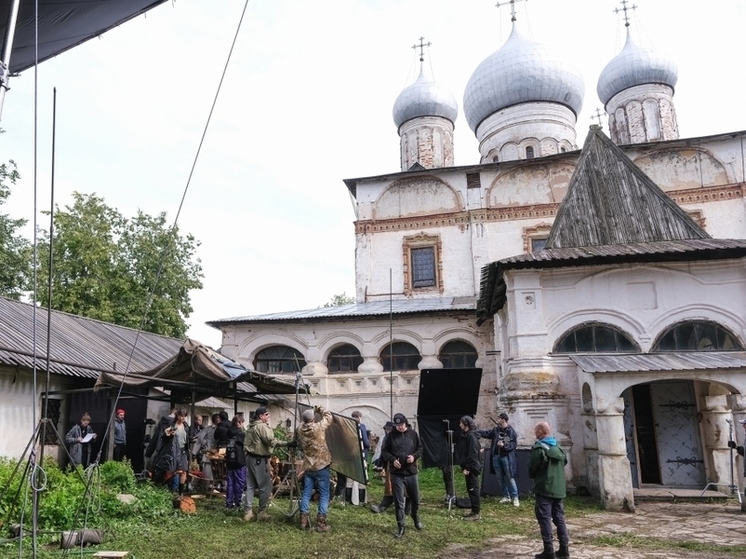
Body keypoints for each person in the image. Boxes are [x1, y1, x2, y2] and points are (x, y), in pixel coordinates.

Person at [243, 406, 294, 521]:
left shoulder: (251, 426)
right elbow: (270, 441)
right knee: (265, 486)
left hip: (250, 458)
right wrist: (287, 443)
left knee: (250, 486)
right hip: (259, 459)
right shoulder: (261, 426)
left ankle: (248, 512)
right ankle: (262, 512)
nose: (268, 416)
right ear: (260, 416)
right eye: (266, 414)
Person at [528, 421, 570, 559]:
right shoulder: (558, 447)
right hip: (558, 488)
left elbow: (532, 467)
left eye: (536, 430)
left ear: (540, 432)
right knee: (559, 519)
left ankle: (548, 550)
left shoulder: (539, 448)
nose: (534, 432)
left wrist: (533, 476)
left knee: (544, 518)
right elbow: (564, 462)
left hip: (545, 488)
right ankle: (564, 549)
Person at [381, 413, 423, 539]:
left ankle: (415, 517)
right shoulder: (390, 436)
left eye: (401, 425)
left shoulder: (413, 434)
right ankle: (401, 526)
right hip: (397, 474)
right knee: (399, 501)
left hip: (411, 473)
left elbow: (420, 449)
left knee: (415, 499)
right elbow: (384, 451)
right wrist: (393, 460)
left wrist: (414, 456)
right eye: (397, 425)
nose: (399, 427)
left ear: (406, 423)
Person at [298, 405, 334, 532]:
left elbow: (304, 420)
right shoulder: (318, 427)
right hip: (321, 466)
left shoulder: (300, 429)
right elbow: (329, 417)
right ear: (313, 419)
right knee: (324, 494)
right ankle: (320, 524)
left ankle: (303, 522)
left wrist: (309, 414)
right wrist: (319, 408)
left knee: (306, 493)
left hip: (309, 467)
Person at [477, 412, 520, 507]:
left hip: (506, 457)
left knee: (509, 477)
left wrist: (504, 446)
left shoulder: (510, 431)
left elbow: (512, 445)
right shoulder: (496, 430)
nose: (497, 420)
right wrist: (476, 431)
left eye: (499, 418)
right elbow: (486, 434)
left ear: (503, 420)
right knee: (500, 478)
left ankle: (515, 497)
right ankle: (506, 496)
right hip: (496, 457)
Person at [455, 415, 483, 520]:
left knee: (473, 489)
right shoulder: (466, 435)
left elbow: (473, 453)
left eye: (461, 423)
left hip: (472, 468)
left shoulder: (471, 436)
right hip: (468, 466)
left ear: (466, 424)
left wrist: (468, 468)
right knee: (470, 489)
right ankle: (474, 511)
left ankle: (476, 513)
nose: (460, 425)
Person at [225, 415, 247, 510]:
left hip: (230, 460)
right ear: (238, 423)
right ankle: (238, 502)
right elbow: (246, 446)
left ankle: (229, 503)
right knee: (239, 482)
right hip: (239, 460)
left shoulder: (228, 432)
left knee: (230, 483)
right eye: (242, 422)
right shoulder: (240, 434)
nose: (243, 425)